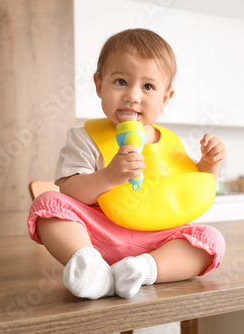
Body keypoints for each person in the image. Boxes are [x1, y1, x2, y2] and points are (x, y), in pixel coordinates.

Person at [27, 28, 226, 300]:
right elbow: (70, 192)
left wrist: (209, 163)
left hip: (156, 241)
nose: (133, 95)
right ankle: (91, 268)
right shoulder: (84, 137)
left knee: (211, 240)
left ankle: (142, 270)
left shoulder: (169, 142)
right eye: (121, 81)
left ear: (165, 98)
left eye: (148, 86)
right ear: (99, 85)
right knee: (47, 205)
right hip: (97, 236)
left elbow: (190, 191)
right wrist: (108, 176)